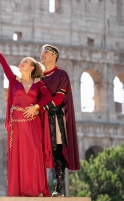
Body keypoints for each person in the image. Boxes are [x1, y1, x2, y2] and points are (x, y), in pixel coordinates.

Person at [0, 36, 53, 197]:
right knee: (19, 159)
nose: (21, 63)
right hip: (17, 126)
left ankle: (37, 190)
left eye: (25, 62)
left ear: (32, 67)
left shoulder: (38, 84)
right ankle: (20, 192)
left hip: (33, 125)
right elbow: (5, 65)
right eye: (22, 61)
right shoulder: (14, 81)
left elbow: (48, 98)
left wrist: (37, 107)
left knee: (34, 156)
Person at [26, 44, 80, 197]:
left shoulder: (62, 75)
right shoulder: (38, 76)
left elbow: (59, 98)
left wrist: (39, 108)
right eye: (42, 52)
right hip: (38, 118)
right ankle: (36, 187)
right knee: (36, 152)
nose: (42, 55)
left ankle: (59, 187)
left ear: (54, 56)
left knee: (57, 151)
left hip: (55, 116)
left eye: (46, 52)